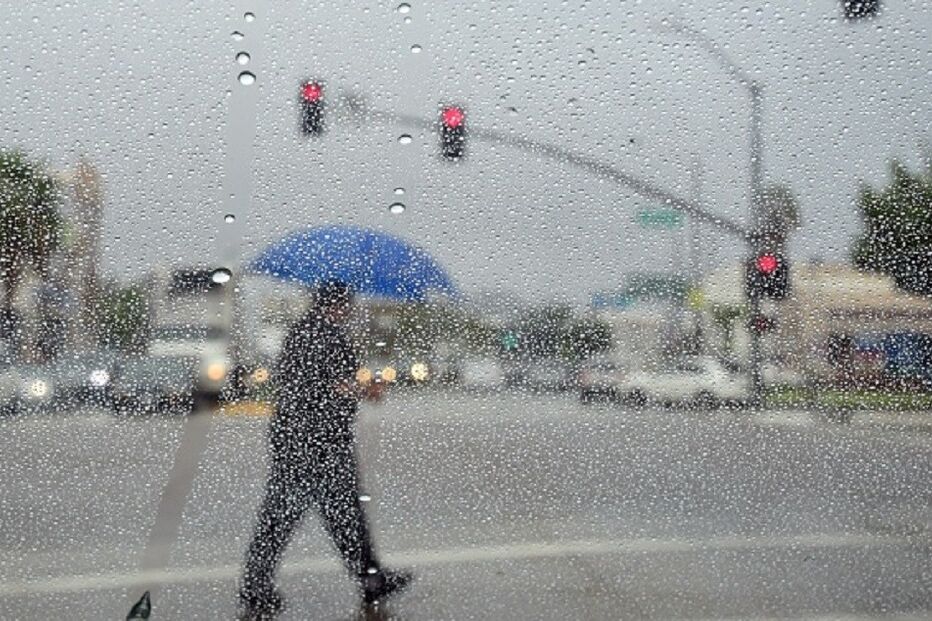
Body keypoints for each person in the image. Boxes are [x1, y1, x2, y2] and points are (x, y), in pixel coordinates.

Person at [239, 280, 411, 619]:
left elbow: (303, 383)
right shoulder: (331, 336)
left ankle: (369, 579)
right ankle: (258, 588)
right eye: (348, 306)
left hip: (293, 437)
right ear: (339, 306)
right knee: (329, 513)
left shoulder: (298, 333)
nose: (350, 312)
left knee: (307, 514)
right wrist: (371, 389)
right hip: (322, 442)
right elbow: (338, 386)